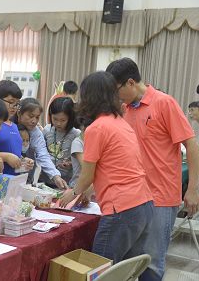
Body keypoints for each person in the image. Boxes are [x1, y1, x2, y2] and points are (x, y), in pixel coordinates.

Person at [107, 58, 199, 281]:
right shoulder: (125, 109)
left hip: (160, 197)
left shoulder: (164, 103)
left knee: (153, 263)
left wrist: (193, 188)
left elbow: (191, 144)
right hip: (132, 198)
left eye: (116, 90)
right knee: (129, 262)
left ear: (130, 83)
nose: (116, 96)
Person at [59, 71, 154, 273]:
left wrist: (73, 193)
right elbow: (114, 168)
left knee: (100, 270)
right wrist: (86, 191)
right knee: (125, 273)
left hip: (122, 208)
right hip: (143, 204)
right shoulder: (121, 123)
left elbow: (87, 174)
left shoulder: (97, 128)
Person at [14, 98, 68, 188]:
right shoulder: (9, 127)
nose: (34, 121)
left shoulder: (36, 133)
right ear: (19, 113)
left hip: (25, 179)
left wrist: (55, 176)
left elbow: (43, 154)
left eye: (37, 117)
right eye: (30, 116)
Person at [0, 80, 34, 175]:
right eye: (11, 102)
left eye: (17, 104)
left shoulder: (14, 126)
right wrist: (6, 157)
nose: (14, 107)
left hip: (14, 181)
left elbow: (13, 152)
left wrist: (23, 160)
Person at [42, 97, 80, 187]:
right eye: (55, 119)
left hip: (66, 184)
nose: (58, 123)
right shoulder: (47, 130)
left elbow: (80, 161)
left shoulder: (76, 134)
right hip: (45, 180)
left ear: (70, 118)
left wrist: (70, 163)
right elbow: (41, 153)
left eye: (63, 120)